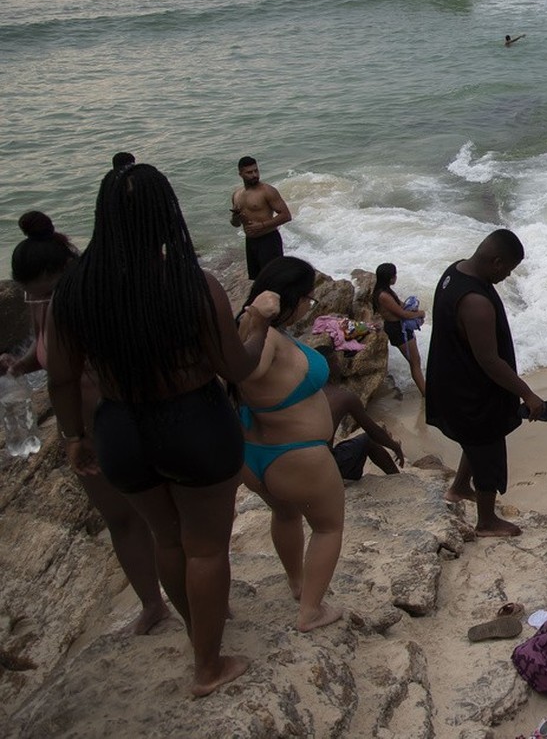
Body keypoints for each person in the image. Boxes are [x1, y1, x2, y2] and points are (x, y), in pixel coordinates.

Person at [48, 163, 279, 696]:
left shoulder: (74, 291)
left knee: (167, 539)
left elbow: (61, 377)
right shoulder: (192, 285)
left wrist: (74, 437)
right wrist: (260, 322)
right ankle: (208, 665)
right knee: (205, 547)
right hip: (193, 423)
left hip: (120, 430)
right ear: (166, 214)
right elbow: (236, 369)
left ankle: (200, 634)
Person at [3, 211, 171, 637]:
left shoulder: (98, 299)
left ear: (64, 272)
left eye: (44, 292)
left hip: (126, 420)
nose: (39, 301)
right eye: (31, 295)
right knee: (121, 519)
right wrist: (20, 366)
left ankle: (201, 594)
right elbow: (46, 356)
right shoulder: (43, 304)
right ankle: (153, 604)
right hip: (85, 431)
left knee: (167, 517)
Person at [232, 256, 345, 633]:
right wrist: (263, 322)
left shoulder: (239, 326)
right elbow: (251, 371)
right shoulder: (264, 335)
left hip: (257, 455)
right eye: (308, 299)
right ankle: (310, 611)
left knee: (284, 514)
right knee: (328, 528)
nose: (308, 306)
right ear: (290, 298)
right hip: (297, 456)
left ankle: (298, 584)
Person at [426, 229, 547, 539]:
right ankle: (486, 521)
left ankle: (460, 487)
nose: (507, 276)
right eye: (508, 269)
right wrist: (527, 394)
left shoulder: (455, 272)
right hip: (471, 390)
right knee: (489, 450)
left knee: (475, 441)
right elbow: (489, 360)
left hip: (452, 378)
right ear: (496, 261)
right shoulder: (475, 302)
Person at [230, 156, 292, 281]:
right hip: (251, 242)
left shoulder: (267, 191)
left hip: (269, 240)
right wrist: (235, 217)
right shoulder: (237, 195)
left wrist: (262, 225)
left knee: (274, 279)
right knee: (258, 280)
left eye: (256, 171)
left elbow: (286, 215)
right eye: (249, 172)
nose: (254, 175)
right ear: (240, 174)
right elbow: (235, 224)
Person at [373, 262, 426, 397]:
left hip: (399, 327)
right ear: (390, 278)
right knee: (415, 362)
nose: (396, 277)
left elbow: (401, 306)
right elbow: (401, 314)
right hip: (397, 329)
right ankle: (425, 393)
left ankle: (425, 390)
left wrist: (413, 308)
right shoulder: (383, 295)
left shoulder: (386, 291)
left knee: (415, 361)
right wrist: (420, 313)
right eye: (394, 275)